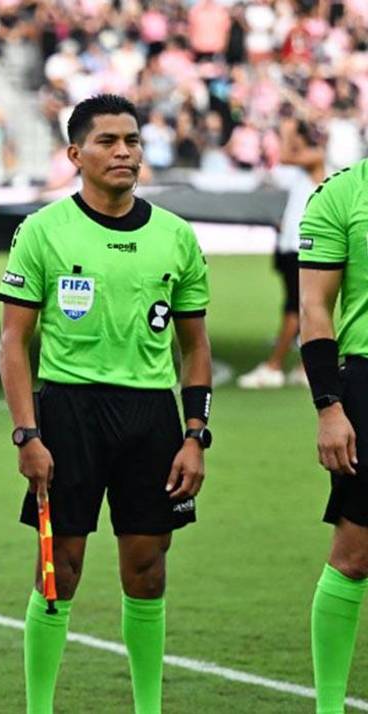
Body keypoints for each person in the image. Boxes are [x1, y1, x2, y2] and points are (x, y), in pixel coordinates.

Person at [0, 94, 212, 714]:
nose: (124, 152)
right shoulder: (42, 231)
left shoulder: (176, 236)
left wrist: (195, 434)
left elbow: (195, 347)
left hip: (152, 418)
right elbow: (14, 342)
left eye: (133, 141)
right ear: (75, 154)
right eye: (108, 142)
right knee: (58, 571)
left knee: (147, 570)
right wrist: (26, 434)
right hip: (68, 414)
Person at [297, 151, 368, 713]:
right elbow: (315, 311)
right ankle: (326, 707)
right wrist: (329, 406)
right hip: (365, 380)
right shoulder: (341, 195)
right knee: (354, 553)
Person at [238, 117, 326, 389]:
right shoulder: (301, 168)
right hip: (289, 245)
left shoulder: (315, 157)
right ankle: (306, 366)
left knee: (295, 308)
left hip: (302, 247)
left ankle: (274, 366)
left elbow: (285, 157)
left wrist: (287, 132)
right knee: (302, 307)